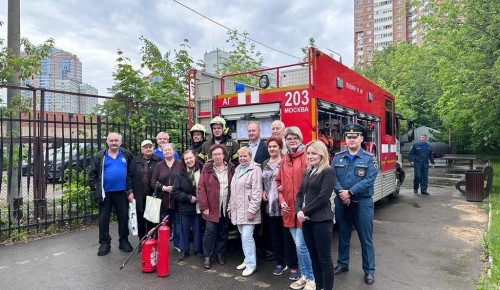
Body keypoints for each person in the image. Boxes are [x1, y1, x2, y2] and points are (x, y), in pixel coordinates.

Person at [332, 123, 378, 285]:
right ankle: (342, 264)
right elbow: (333, 177)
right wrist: (342, 193)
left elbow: (368, 180)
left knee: (365, 238)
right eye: (348, 137)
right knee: (343, 235)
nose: (351, 140)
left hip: (362, 203)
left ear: (361, 138)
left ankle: (369, 271)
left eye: (354, 137)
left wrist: (349, 192)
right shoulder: (337, 158)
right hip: (342, 202)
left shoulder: (370, 159)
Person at [275, 126, 315, 290]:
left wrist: (306, 206)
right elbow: (278, 182)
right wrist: (281, 199)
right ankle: (304, 275)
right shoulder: (285, 158)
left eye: (295, 138)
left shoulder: (307, 156)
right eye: (289, 138)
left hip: (302, 208)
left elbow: (313, 182)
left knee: (301, 245)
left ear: (300, 138)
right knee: (298, 245)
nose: (292, 141)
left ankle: (311, 278)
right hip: (288, 209)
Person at [296, 141, 336, 290]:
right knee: (314, 258)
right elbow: (300, 193)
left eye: (314, 153)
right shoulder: (308, 170)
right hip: (307, 221)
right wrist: (298, 210)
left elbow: (323, 197)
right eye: (309, 153)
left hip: (321, 221)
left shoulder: (328, 171)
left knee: (324, 259)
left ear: (322, 154)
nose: (311, 156)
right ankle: (319, 287)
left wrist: (304, 212)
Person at [89, 132, 134, 256]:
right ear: (107, 142)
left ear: (120, 142)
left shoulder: (127, 155)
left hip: (122, 192)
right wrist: (96, 188)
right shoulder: (99, 156)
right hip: (105, 194)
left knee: (123, 218)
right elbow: (92, 175)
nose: (114, 143)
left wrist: (130, 190)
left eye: (116, 140)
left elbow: (131, 174)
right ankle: (104, 243)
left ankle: (123, 240)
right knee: (103, 219)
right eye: (111, 140)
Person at [261, 137, 298, 277]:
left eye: (274, 146)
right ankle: (280, 263)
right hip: (270, 206)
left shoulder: (286, 161)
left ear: (280, 147)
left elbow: (293, 179)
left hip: (284, 206)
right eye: (270, 147)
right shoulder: (265, 163)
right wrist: (264, 191)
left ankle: (293, 266)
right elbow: (264, 180)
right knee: (275, 237)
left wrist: (285, 187)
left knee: (287, 238)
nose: (271, 149)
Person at [198, 144, 236, 269]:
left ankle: (220, 254)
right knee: (209, 232)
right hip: (211, 206)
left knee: (223, 231)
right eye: (214, 154)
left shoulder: (231, 168)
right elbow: (201, 188)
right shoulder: (207, 168)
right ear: (211, 156)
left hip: (225, 205)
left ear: (224, 155)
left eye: (219, 154)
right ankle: (207, 256)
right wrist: (204, 206)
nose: (217, 156)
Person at [228, 147, 263, 276]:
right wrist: (230, 208)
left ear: (250, 156)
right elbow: (233, 192)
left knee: (247, 237)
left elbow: (257, 191)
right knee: (243, 236)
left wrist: (252, 210)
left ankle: (251, 264)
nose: (242, 159)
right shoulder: (237, 169)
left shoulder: (255, 170)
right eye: (240, 156)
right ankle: (247, 259)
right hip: (238, 210)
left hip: (248, 210)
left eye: (245, 156)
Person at [128, 140, 162, 240]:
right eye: (145, 147)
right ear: (141, 149)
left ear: (153, 148)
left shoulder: (158, 160)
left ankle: (151, 240)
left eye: (150, 147)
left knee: (152, 219)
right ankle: (142, 240)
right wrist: (129, 191)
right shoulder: (135, 161)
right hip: (139, 195)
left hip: (152, 195)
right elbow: (129, 176)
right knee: (140, 218)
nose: (148, 149)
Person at [173, 150, 203, 261]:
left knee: (198, 229)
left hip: (199, 206)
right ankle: (184, 250)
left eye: (190, 158)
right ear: (183, 161)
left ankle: (198, 250)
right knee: (184, 230)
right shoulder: (181, 173)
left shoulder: (202, 169)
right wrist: (188, 198)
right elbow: (175, 190)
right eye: (186, 159)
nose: (189, 160)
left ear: (194, 157)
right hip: (185, 206)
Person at [151, 143, 182, 250]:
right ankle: (163, 244)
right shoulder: (159, 165)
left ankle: (177, 244)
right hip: (163, 200)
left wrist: (177, 188)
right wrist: (164, 188)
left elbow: (184, 179)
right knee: (163, 223)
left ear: (174, 151)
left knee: (177, 223)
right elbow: (153, 182)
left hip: (177, 200)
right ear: (162, 152)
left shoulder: (180, 164)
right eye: (165, 150)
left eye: (169, 149)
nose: (167, 151)